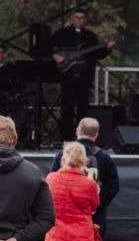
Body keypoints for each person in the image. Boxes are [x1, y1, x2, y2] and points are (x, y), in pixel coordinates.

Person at [50, 116, 120, 241]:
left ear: (76, 131)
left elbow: (54, 184)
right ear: (96, 135)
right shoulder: (104, 158)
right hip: (95, 217)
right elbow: (113, 186)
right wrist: (97, 204)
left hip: (67, 217)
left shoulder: (61, 156)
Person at [49, 8, 114, 141]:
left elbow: (98, 54)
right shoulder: (62, 33)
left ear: (85, 19)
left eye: (82, 17)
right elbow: (47, 46)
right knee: (67, 107)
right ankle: (66, 138)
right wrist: (55, 56)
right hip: (67, 76)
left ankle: (83, 138)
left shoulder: (90, 36)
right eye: (76, 17)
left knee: (83, 108)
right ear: (72, 18)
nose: (79, 20)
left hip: (84, 76)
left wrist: (108, 49)